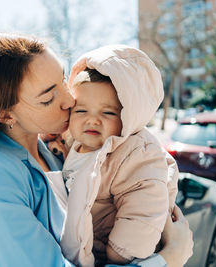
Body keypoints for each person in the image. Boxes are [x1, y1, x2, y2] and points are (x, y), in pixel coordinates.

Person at [0, 33, 193, 267]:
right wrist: (167, 259)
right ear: (5, 114)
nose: (70, 100)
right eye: (48, 98)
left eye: (63, 80)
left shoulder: (60, 150)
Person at [45, 45, 179, 267]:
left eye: (108, 112)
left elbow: (143, 211)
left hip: (111, 255)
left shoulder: (136, 155)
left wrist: (119, 256)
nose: (92, 120)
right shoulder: (78, 140)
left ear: (130, 116)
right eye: (81, 111)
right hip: (82, 249)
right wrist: (55, 142)